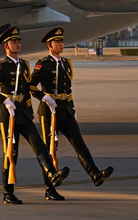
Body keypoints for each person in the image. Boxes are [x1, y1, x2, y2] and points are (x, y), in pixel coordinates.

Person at [0, 26, 70, 205]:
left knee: (39, 145)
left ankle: (52, 175)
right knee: (10, 153)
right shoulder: (2, 66)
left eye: (18, 41)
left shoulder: (24, 65)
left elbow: (27, 90)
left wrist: (29, 110)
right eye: (14, 42)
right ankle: (8, 193)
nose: (18, 44)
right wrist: (5, 101)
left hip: (23, 112)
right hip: (8, 115)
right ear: (6, 46)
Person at [30, 27, 114, 187]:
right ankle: (50, 188)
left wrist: (72, 109)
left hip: (65, 109)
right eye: (57, 42)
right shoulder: (43, 64)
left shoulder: (66, 63)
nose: (61, 44)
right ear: (49, 45)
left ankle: (95, 173)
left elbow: (68, 90)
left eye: (62, 41)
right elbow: (31, 86)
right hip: (49, 110)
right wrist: (45, 98)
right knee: (50, 148)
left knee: (78, 141)